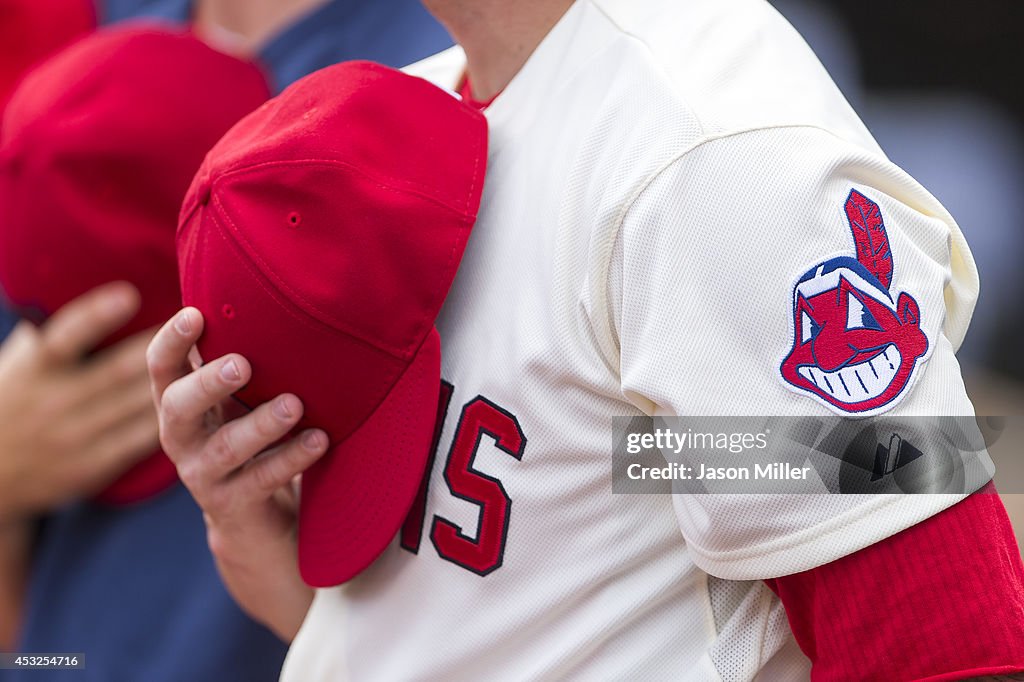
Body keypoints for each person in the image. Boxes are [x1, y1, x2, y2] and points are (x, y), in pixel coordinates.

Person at [146, 0, 1024, 679]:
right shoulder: (427, 95)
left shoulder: (716, 152)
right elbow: (570, 605)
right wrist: (278, 567)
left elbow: (950, 645)